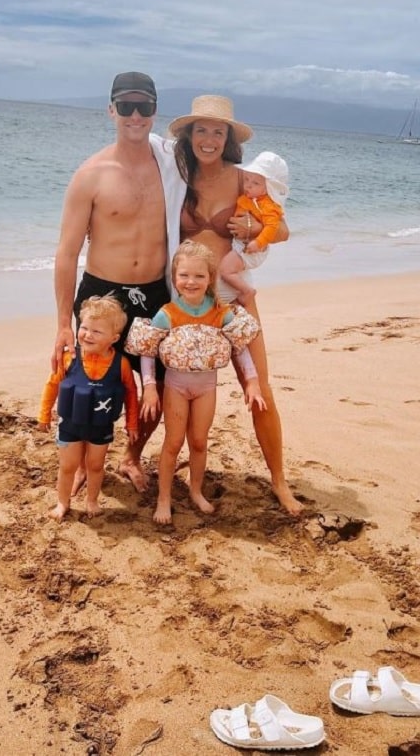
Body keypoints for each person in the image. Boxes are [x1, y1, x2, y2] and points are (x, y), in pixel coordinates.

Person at [169, 94, 302, 515]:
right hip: (185, 295)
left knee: (259, 387)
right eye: (202, 130)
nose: (209, 139)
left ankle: (279, 481)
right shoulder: (176, 175)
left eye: (218, 131)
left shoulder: (244, 178)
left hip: (230, 295)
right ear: (190, 135)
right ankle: (135, 459)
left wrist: (251, 226)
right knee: (170, 388)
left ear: (228, 138)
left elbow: (282, 228)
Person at [52, 71, 183, 495]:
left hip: (155, 293)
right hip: (101, 294)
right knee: (90, 386)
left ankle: (131, 457)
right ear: (111, 110)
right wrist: (60, 325)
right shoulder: (91, 174)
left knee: (154, 386)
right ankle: (82, 469)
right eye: (125, 106)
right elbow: (67, 253)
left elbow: (223, 178)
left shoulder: (172, 169)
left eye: (143, 106)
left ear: (154, 111)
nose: (135, 115)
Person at [127, 240, 265, 524]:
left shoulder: (220, 312)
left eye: (199, 276)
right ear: (175, 278)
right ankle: (163, 499)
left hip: (206, 389)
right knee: (173, 442)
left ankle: (196, 490)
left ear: (210, 278)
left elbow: (240, 348)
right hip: (176, 388)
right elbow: (148, 351)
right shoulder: (167, 314)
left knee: (200, 442)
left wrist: (252, 382)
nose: (191, 282)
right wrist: (150, 388)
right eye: (184, 275)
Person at [38, 295, 139, 519]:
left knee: (95, 466)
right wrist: (44, 415)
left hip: (100, 427)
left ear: (114, 338)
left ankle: (92, 501)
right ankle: (62, 503)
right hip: (70, 425)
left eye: (97, 331)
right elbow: (52, 385)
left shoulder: (120, 364)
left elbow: (131, 394)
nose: (87, 334)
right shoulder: (68, 358)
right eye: (84, 328)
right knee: (67, 466)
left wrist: (132, 424)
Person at [218, 151, 289, 306]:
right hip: (241, 245)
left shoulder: (268, 206)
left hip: (251, 248)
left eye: (255, 183)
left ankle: (247, 291)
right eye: (247, 180)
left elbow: (274, 228)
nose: (248, 185)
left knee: (225, 270)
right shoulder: (250, 198)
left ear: (268, 188)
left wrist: (257, 241)